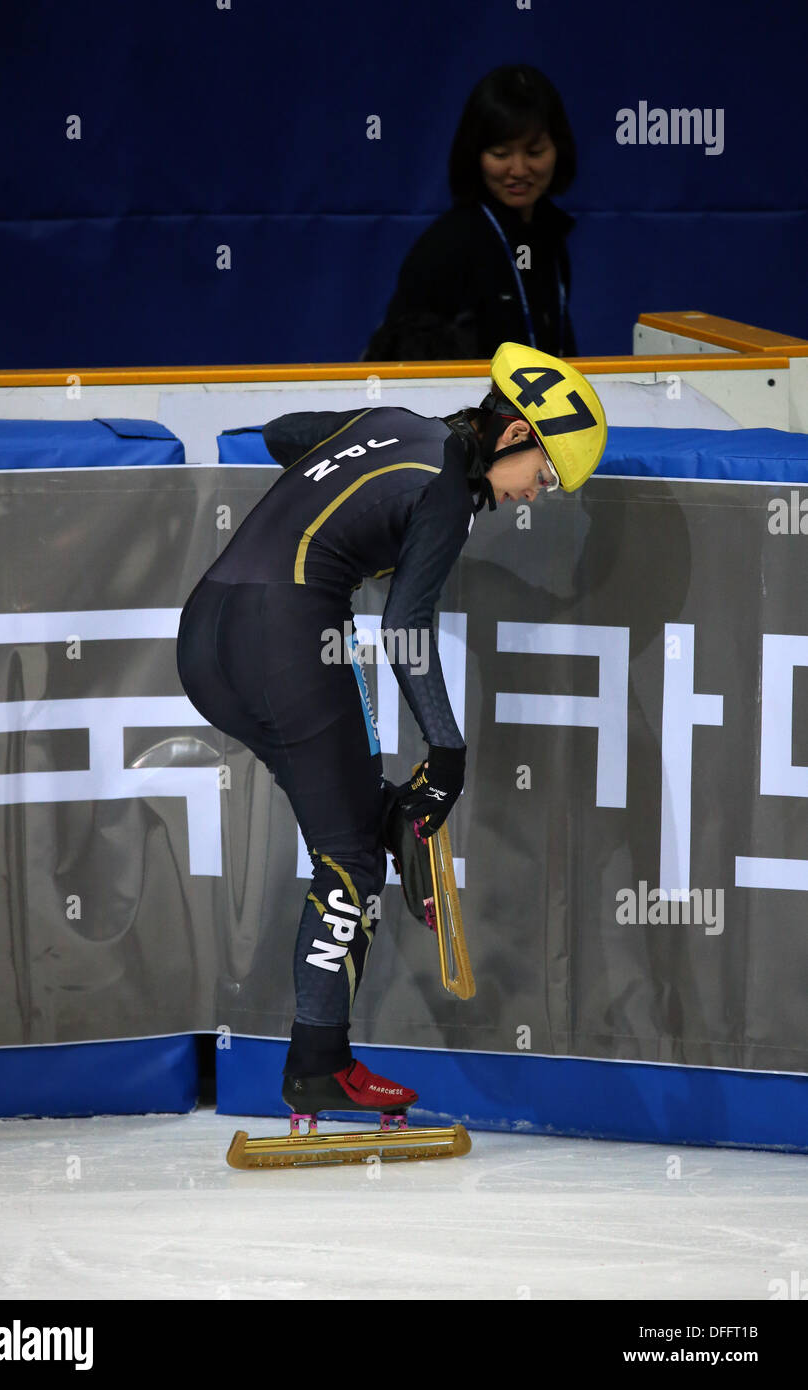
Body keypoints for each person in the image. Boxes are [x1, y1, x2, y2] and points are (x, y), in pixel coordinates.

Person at [176, 343, 606, 1121]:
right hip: (286, 635)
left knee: (350, 815)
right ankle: (318, 1065)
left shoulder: (389, 422)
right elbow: (407, 631)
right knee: (348, 854)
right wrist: (447, 759)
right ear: (512, 436)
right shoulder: (445, 489)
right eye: (541, 477)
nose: (530, 498)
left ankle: (387, 819)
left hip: (207, 632)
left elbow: (282, 432)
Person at [364, 65, 578, 361]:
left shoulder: (550, 235)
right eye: (501, 154)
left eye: (534, 152)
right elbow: (401, 370)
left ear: (559, 149)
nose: (518, 170)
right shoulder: (446, 246)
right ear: (474, 155)